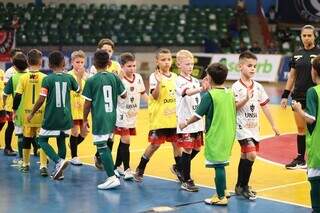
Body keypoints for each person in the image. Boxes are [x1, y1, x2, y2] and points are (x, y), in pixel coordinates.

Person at [179, 63, 235, 206]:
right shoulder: (230, 92)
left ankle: (220, 197)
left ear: (209, 77)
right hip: (229, 133)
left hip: (216, 134)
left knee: (218, 165)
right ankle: (224, 190)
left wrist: (185, 123)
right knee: (222, 163)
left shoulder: (209, 96)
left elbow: (197, 115)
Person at [232, 51, 280, 200]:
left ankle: (239, 185)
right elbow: (234, 108)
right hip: (241, 127)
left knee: (245, 155)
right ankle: (245, 186)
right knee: (252, 155)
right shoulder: (235, 87)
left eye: (255, 66)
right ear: (240, 67)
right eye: (249, 65)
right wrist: (246, 98)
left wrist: (273, 125)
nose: (253, 69)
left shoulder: (258, 87)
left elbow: (265, 106)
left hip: (254, 127)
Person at [27, 51, 80, 180]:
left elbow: (41, 99)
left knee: (41, 140)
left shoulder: (47, 79)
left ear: (49, 64)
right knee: (61, 140)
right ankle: (59, 172)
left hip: (51, 117)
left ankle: (58, 161)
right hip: (66, 118)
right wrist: (77, 75)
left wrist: (32, 113)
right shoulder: (69, 78)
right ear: (64, 63)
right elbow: (78, 90)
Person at [133, 48, 181, 182]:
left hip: (173, 119)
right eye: (163, 60)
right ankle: (140, 169)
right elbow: (155, 96)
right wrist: (159, 82)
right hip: (159, 119)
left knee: (177, 145)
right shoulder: (154, 77)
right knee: (155, 145)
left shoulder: (176, 77)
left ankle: (180, 170)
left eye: (169, 59)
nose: (166, 62)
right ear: (157, 61)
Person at [82, 50, 126, 189]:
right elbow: (124, 95)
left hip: (100, 117)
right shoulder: (114, 77)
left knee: (101, 146)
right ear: (109, 63)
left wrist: (84, 119)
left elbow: (87, 103)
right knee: (105, 145)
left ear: (94, 63)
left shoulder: (91, 80)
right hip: (112, 116)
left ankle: (112, 177)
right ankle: (112, 173)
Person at [280, 25, 320, 169]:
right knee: (301, 128)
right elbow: (291, 76)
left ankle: (314, 157)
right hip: (298, 95)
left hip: (315, 95)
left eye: (310, 35)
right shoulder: (296, 54)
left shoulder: (319, 53)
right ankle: (300, 159)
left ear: (315, 36)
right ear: (301, 37)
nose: (307, 38)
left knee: (315, 128)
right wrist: (285, 95)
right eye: (304, 35)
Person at [291, 55, 320, 213]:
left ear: (313, 71)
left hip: (317, 147)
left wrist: (299, 110)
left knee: (315, 184)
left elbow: (311, 119)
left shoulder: (313, 92)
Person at [12, 49, 48, 175]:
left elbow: (17, 96)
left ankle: (26, 164)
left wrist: (14, 110)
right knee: (43, 141)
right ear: (41, 62)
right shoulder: (45, 78)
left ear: (27, 62)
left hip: (27, 116)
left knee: (27, 139)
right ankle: (43, 166)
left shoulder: (23, 78)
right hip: (41, 115)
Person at [113, 52, 148, 180]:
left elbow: (143, 93)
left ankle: (116, 166)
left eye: (134, 66)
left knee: (123, 142)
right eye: (129, 66)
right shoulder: (118, 78)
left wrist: (152, 105)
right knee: (126, 140)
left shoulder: (138, 77)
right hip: (121, 114)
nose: (132, 68)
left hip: (133, 114)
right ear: (122, 66)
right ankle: (127, 169)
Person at [175, 50, 205, 192]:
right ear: (179, 65)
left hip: (196, 121)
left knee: (197, 148)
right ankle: (186, 180)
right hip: (185, 120)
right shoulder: (178, 80)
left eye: (192, 64)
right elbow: (187, 92)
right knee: (187, 149)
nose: (190, 66)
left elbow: (197, 99)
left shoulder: (194, 80)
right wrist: (201, 88)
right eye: (187, 64)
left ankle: (179, 167)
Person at [90, 38, 122, 170]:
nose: (108, 53)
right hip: (99, 104)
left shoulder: (116, 66)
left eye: (110, 50)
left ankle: (103, 157)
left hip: (113, 104)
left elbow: (120, 83)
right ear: (99, 51)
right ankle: (100, 155)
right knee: (101, 134)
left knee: (111, 134)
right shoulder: (94, 67)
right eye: (105, 50)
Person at [3, 52, 28, 161]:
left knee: (27, 128)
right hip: (11, 105)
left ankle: (34, 150)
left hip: (23, 105)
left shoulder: (26, 72)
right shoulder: (9, 72)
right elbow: (7, 87)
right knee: (11, 126)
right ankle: (7, 148)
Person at [68, 50, 88, 166]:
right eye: (77, 62)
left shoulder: (86, 76)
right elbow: (77, 90)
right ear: (72, 62)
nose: (80, 64)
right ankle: (74, 157)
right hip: (73, 108)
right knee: (75, 131)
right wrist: (79, 78)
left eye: (81, 62)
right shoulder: (69, 76)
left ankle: (72, 145)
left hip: (83, 109)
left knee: (85, 132)